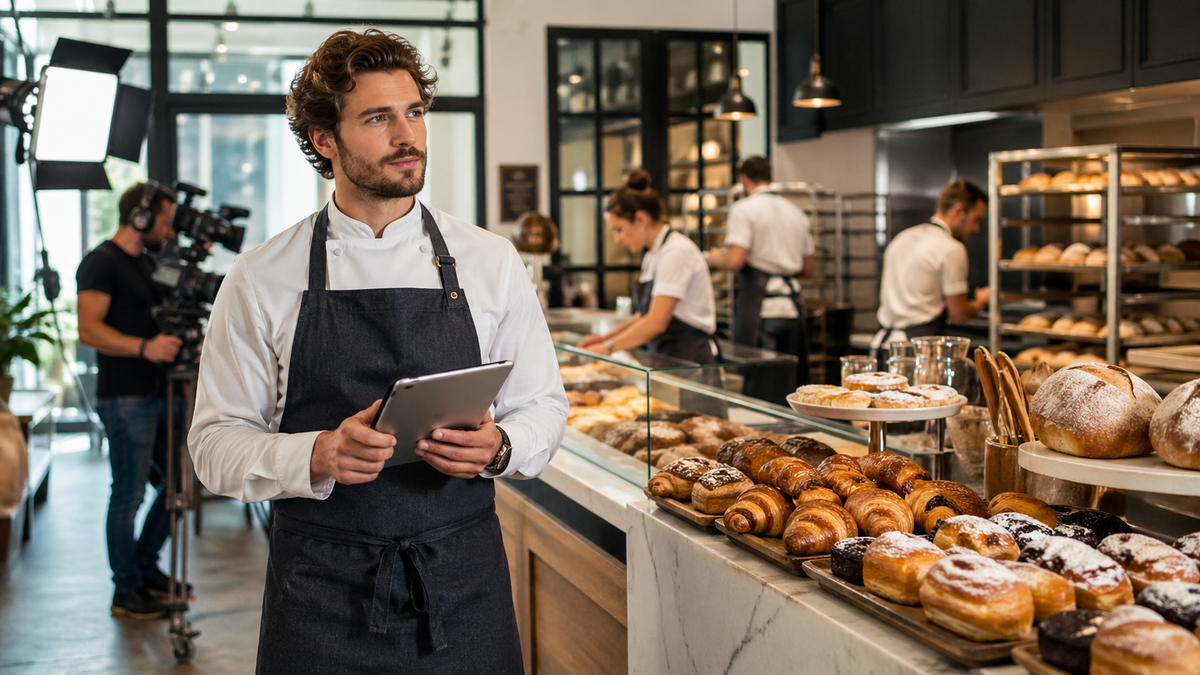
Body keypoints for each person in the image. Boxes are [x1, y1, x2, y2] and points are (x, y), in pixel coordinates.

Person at [187, 29, 567, 673]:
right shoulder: (261, 276)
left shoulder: (489, 260)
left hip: (463, 580)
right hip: (320, 591)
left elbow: (543, 407)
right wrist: (317, 452)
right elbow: (213, 447)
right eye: (378, 117)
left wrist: (500, 447)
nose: (407, 136)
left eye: (415, 112)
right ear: (324, 140)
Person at [77, 181, 187, 620]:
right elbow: (89, 330)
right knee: (128, 494)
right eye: (164, 220)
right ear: (140, 217)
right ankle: (125, 589)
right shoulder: (101, 263)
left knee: (177, 485)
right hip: (125, 397)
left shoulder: (147, 264)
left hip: (159, 392)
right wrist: (144, 348)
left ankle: (145, 567)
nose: (169, 229)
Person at [578, 170, 719, 365]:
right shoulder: (653, 254)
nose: (617, 239)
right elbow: (644, 316)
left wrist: (607, 348)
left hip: (690, 360)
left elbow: (656, 322)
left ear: (641, 219)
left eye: (619, 229)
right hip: (666, 358)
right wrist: (605, 339)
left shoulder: (675, 251)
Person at [707, 156, 815, 400]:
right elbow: (809, 268)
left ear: (744, 179)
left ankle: (764, 434)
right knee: (790, 384)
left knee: (760, 385)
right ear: (772, 178)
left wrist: (714, 258)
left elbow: (735, 260)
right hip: (793, 309)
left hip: (762, 310)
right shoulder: (796, 212)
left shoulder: (743, 209)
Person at [871, 178, 991, 359]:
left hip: (883, 347)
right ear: (958, 210)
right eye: (976, 219)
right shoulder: (951, 248)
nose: (976, 228)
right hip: (917, 354)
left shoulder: (901, 238)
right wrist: (982, 301)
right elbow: (958, 314)